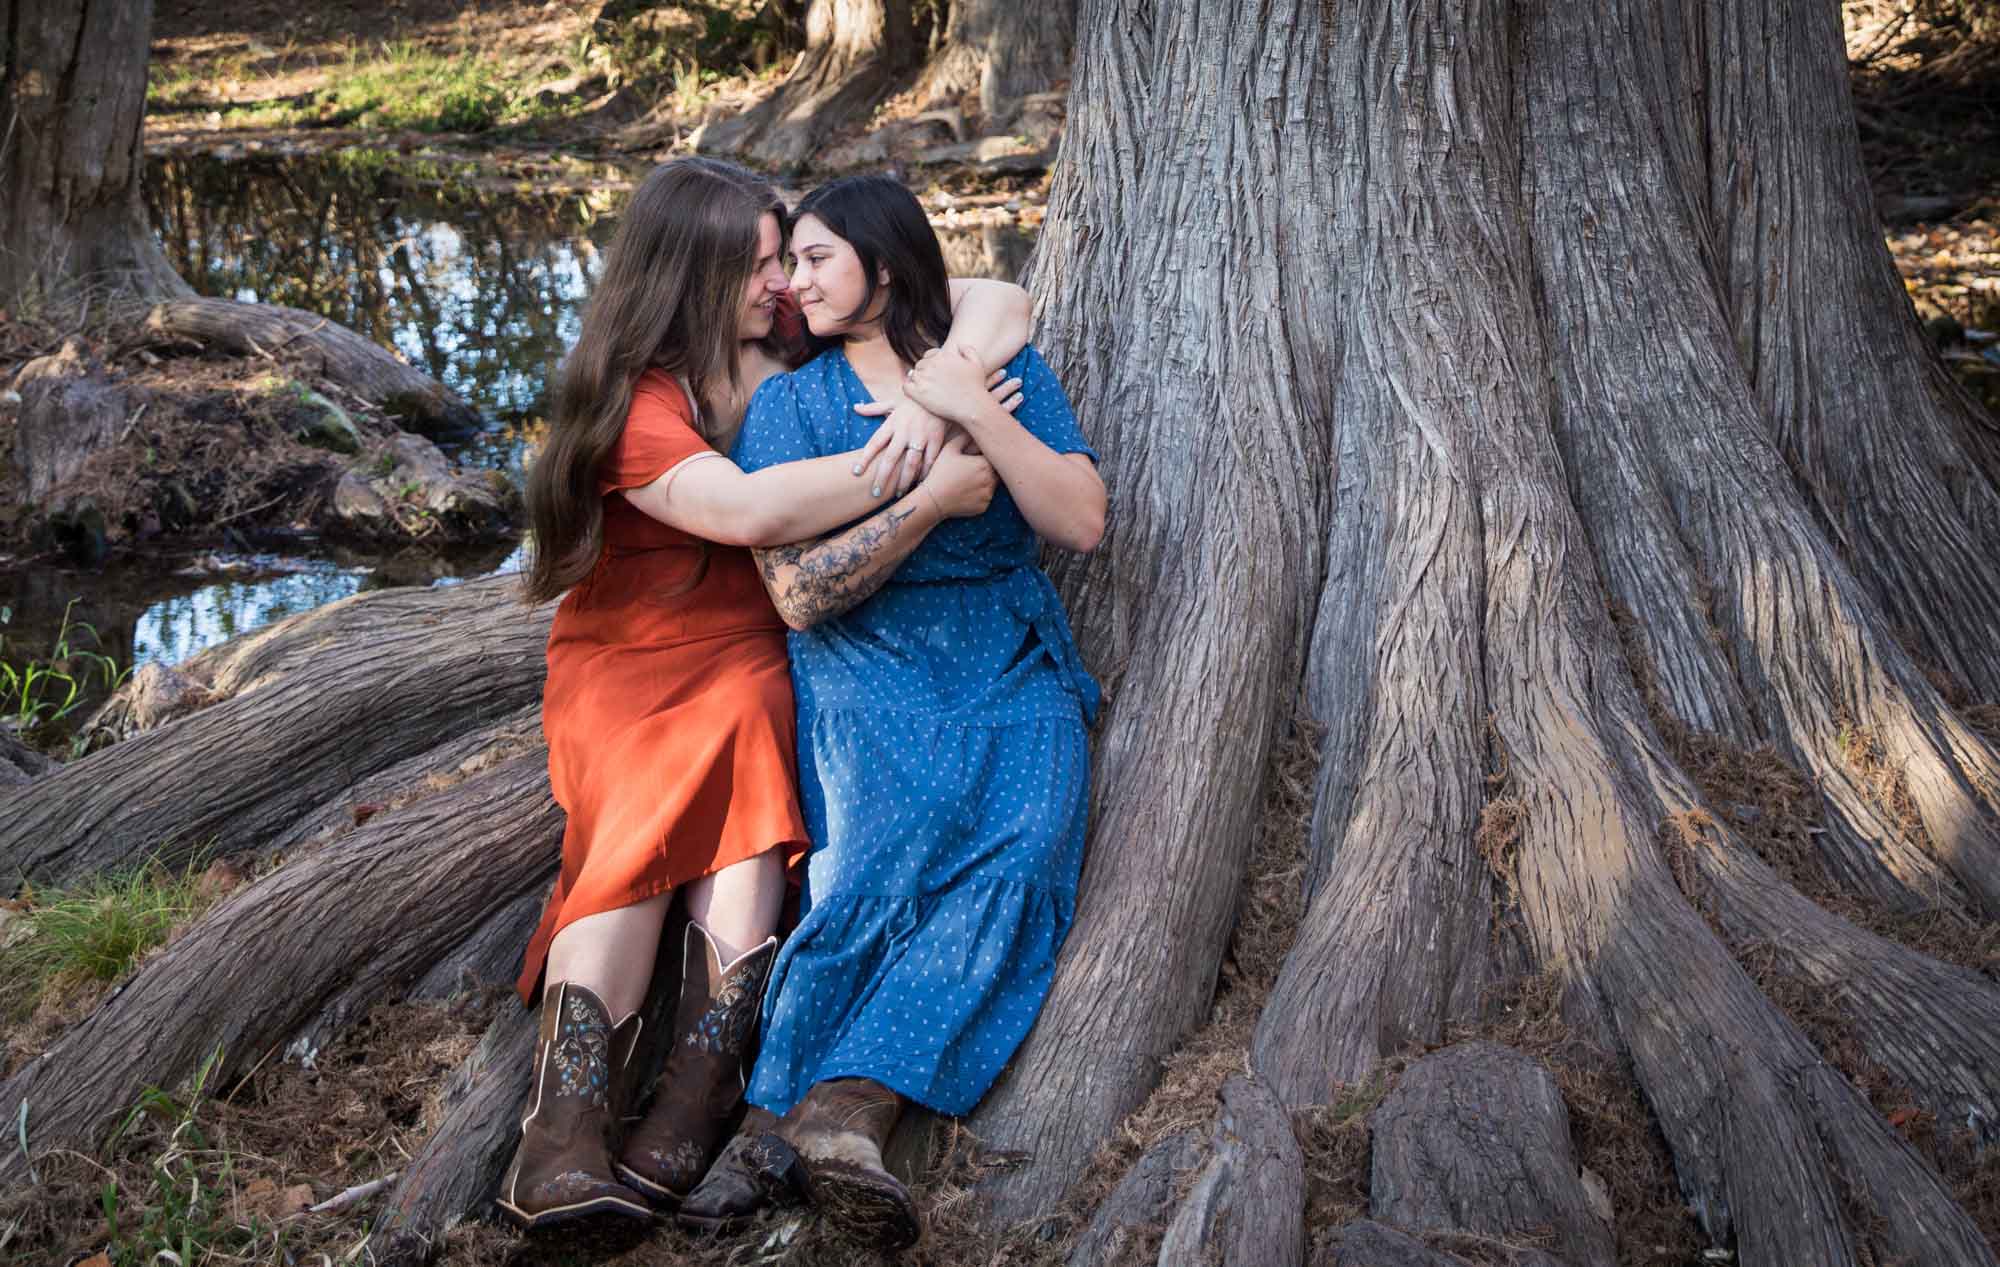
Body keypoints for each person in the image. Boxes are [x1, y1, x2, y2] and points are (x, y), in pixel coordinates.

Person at [499, 156, 1032, 1229]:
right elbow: (746, 513)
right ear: (688, 273)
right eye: (753, 264)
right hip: (632, 660)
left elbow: (994, 297)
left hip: (755, 643)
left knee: (749, 768)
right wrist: (918, 465)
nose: (779, 282)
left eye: (784, 256)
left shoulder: (784, 344)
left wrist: (945, 392)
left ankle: (693, 1105)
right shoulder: (633, 404)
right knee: (642, 825)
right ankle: (558, 1135)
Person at [678, 173, 1104, 1247]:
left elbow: (1079, 519)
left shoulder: (993, 368)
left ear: (881, 259)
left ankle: (844, 1111)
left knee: (1022, 852)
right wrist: (928, 503)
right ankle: (770, 1121)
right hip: (860, 654)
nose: (791, 285)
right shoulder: (789, 405)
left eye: (815, 258)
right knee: (875, 855)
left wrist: (968, 412)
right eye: (788, 263)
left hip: (1006, 659)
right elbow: (798, 592)